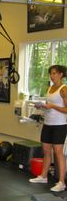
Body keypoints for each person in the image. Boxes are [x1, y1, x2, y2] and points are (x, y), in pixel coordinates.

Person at [29, 64, 67, 192]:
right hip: (48, 123)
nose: (52, 75)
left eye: (54, 73)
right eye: (51, 73)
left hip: (59, 125)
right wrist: (42, 107)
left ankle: (61, 182)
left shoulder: (64, 89)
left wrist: (52, 106)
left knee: (58, 153)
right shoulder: (50, 88)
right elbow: (49, 105)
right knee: (46, 151)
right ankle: (43, 176)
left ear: (61, 74)